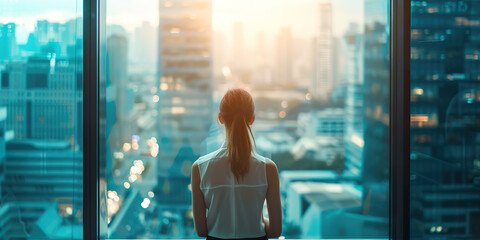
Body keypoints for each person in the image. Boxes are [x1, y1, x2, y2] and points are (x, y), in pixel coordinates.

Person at [191, 88, 282, 240]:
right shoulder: (268, 168)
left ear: (220, 118)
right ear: (252, 119)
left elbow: (201, 231)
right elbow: (275, 231)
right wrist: (256, 222)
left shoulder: (200, 168)